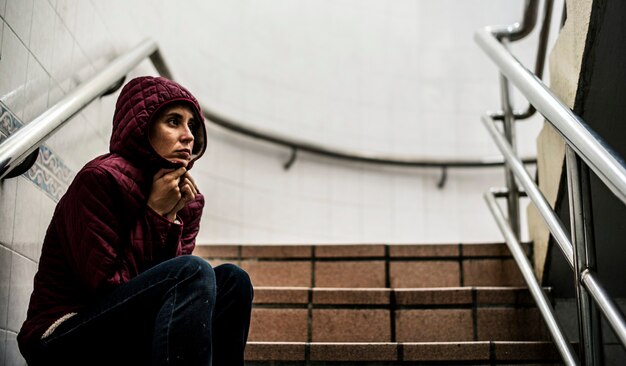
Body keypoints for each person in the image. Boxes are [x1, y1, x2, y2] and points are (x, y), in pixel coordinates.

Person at [17, 76, 253, 366]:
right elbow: (106, 287)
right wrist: (156, 214)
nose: (188, 135)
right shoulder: (100, 180)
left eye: (192, 125)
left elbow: (169, 291)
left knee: (233, 280)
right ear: (141, 127)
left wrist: (169, 217)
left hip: (128, 327)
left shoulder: (188, 201)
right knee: (192, 271)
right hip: (63, 332)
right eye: (173, 121)